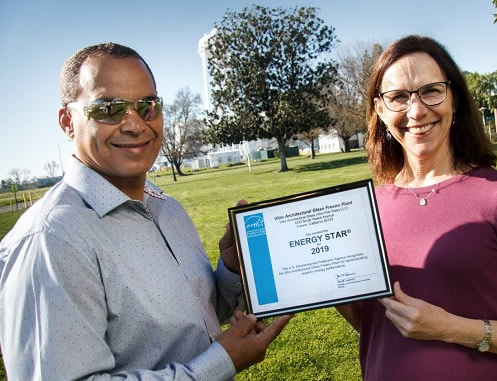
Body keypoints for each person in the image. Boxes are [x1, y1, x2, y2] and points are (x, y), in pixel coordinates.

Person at [0, 42, 290, 380]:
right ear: (67, 121)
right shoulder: (51, 240)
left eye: (147, 106)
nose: (135, 124)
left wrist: (229, 268)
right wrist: (220, 362)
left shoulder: (166, 207)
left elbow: (196, 318)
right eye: (109, 108)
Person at [336, 35, 497, 380]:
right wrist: (327, 286)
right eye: (398, 97)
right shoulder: (367, 210)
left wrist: (451, 328)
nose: (416, 111)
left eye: (431, 90)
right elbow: (378, 328)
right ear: (380, 110)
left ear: (455, 99)